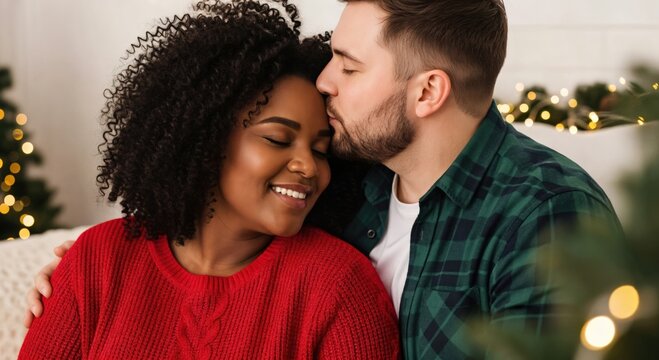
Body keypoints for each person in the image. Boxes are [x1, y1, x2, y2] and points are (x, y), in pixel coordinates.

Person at [27, 0, 624, 358]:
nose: (326, 81)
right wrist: (80, 271)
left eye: (350, 65)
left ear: (427, 91)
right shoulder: (355, 185)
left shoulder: (544, 211)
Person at [19, 1, 400, 358]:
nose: (308, 166)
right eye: (277, 139)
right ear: (205, 137)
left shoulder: (340, 288)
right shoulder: (96, 261)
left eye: (320, 149)